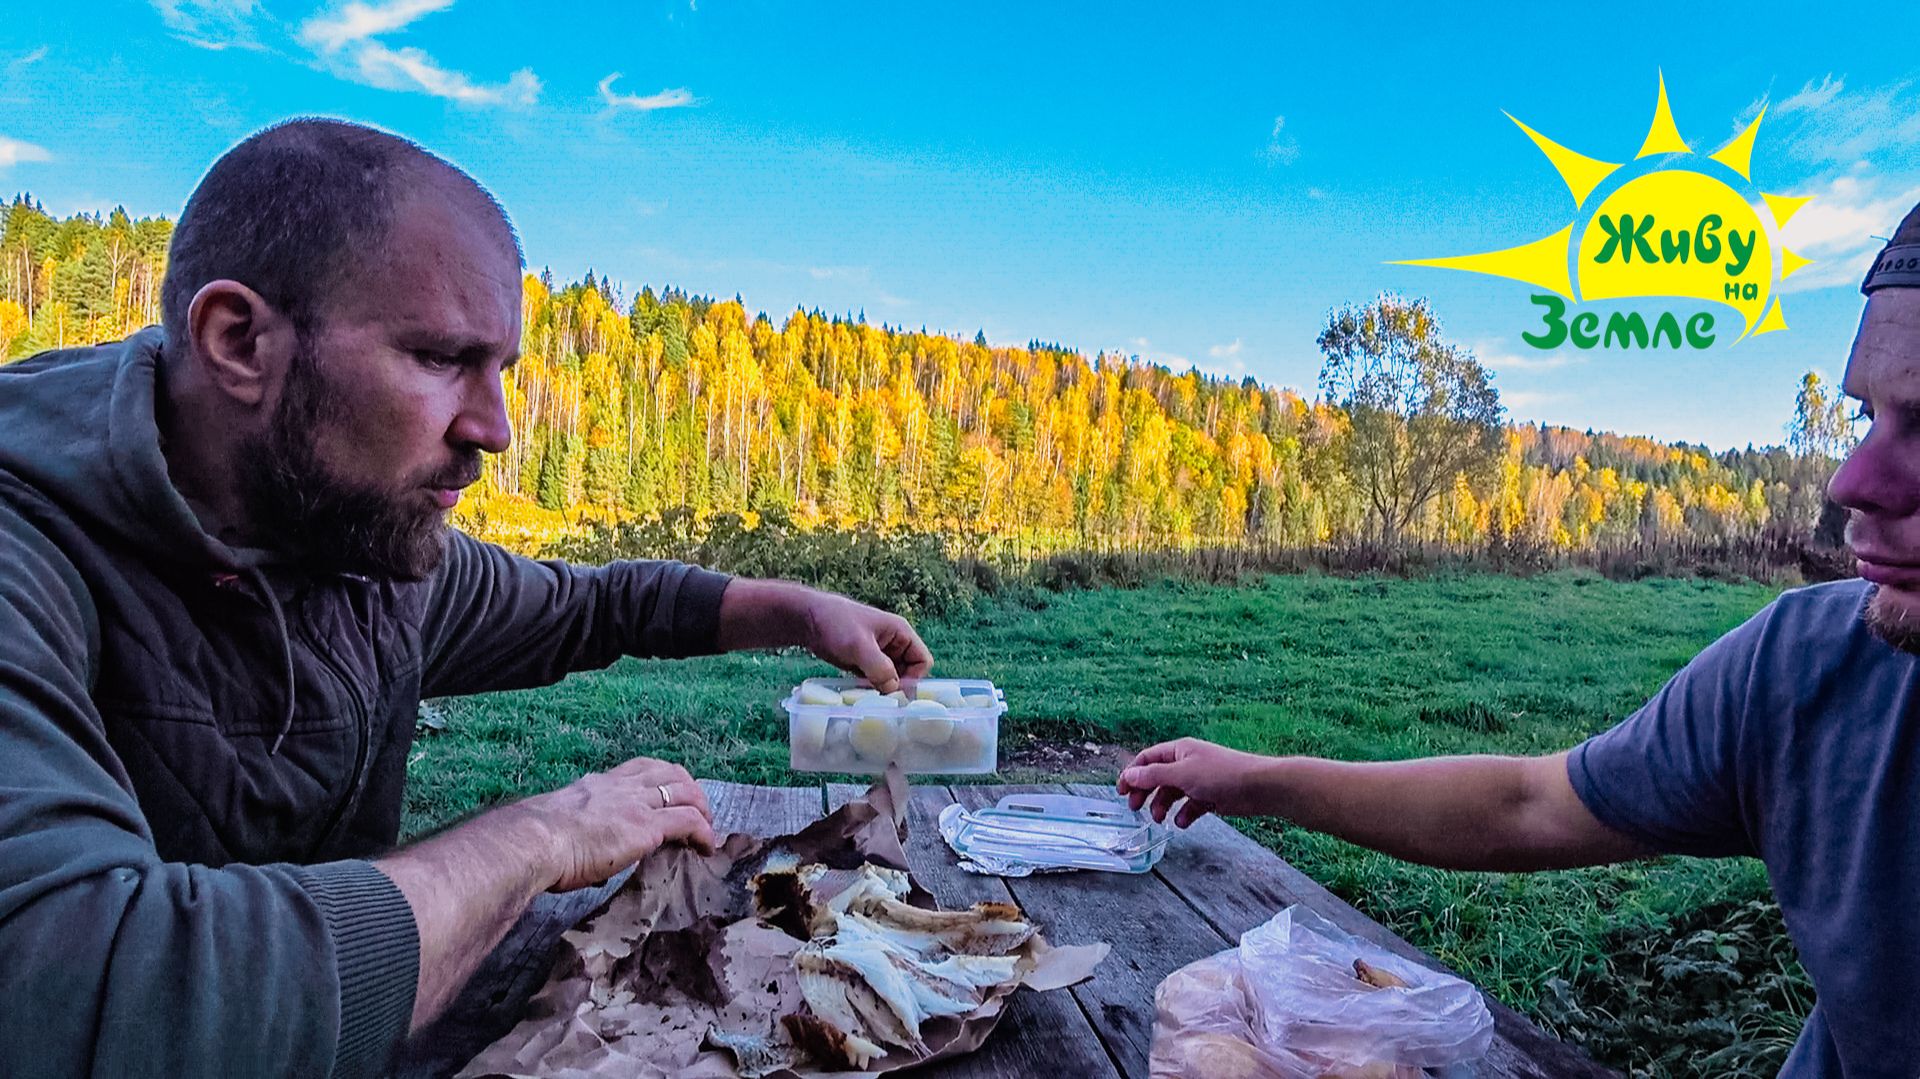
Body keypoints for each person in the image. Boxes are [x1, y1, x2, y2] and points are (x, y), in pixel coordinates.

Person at [0, 118, 933, 1078]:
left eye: (503, 372)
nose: (493, 429)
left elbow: (595, 607)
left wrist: (798, 608)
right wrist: (541, 834)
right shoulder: (26, 548)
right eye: (444, 358)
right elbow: (85, 989)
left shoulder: (350, 541)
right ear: (238, 341)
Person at [1119, 203, 1920, 1078]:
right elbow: (1530, 803)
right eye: (1864, 419)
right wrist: (1250, 778)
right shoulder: (1805, 667)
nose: (1854, 484)